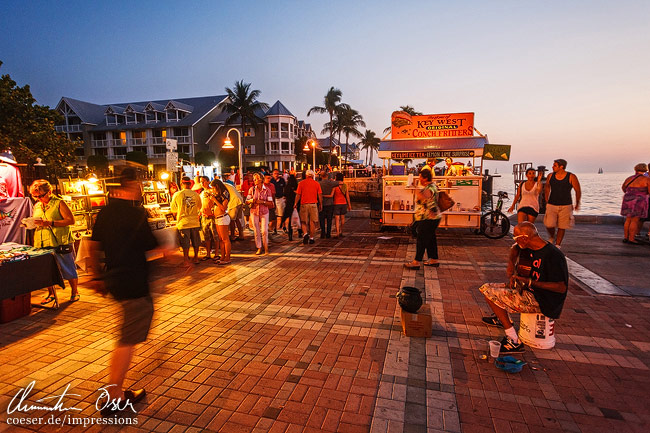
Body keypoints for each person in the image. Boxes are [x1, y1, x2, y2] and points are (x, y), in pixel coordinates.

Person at [86, 169, 157, 416]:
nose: (140, 189)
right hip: (134, 282)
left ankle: (115, 391)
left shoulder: (105, 212)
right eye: (138, 185)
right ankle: (114, 395)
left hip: (114, 279)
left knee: (126, 335)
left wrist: (96, 276)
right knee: (127, 339)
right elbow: (152, 246)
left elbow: (93, 246)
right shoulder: (137, 214)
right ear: (131, 186)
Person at [479, 222, 568, 354]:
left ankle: (513, 340)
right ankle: (501, 317)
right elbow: (515, 248)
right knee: (487, 287)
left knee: (490, 295)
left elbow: (561, 288)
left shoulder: (553, 255)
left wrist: (530, 282)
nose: (514, 240)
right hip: (528, 290)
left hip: (543, 300)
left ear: (525, 238)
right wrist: (511, 264)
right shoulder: (528, 246)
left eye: (516, 237)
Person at [30, 179, 79, 304]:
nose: (38, 198)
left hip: (60, 240)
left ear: (49, 192)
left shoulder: (59, 203)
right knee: (47, 269)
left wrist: (51, 223)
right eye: (35, 196)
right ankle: (51, 293)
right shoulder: (37, 205)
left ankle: (75, 291)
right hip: (43, 241)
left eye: (40, 196)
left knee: (67, 266)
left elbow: (70, 220)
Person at [404, 169, 442, 269]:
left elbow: (423, 197)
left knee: (422, 240)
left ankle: (416, 261)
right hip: (431, 218)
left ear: (425, 178)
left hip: (428, 218)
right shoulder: (432, 186)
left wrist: (414, 187)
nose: (419, 179)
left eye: (421, 177)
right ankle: (434, 259)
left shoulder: (430, 188)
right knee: (430, 239)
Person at [544, 159, 581, 248]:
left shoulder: (571, 176)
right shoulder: (550, 176)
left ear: (561, 167)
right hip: (552, 204)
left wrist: (577, 203)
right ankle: (552, 236)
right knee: (549, 224)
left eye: (555, 165)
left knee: (562, 226)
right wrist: (546, 200)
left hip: (566, 205)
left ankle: (557, 245)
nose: (552, 167)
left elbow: (577, 190)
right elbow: (547, 187)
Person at [171, 177, 201, 265]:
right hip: (194, 221)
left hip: (183, 222)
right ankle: (196, 258)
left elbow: (173, 209)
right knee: (196, 241)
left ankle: (186, 260)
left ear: (181, 184)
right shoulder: (195, 194)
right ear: (190, 184)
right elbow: (199, 207)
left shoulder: (177, 194)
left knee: (185, 242)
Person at [620, 163, 650, 244]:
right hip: (639, 201)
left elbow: (623, 188)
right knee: (635, 220)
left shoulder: (629, 178)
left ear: (635, 169)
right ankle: (631, 239)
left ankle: (626, 237)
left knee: (628, 219)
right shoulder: (646, 179)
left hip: (628, 199)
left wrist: (631, 193)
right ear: (645, 170)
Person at [246, 173, 273, 255]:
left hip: (264, 211)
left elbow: (270, 203)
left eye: (256, 178)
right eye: (254, 179)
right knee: (256, 231)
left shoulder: (267, 190)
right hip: (254, 211)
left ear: (261, 179)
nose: (254, 180)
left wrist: (262, 202)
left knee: (264, 231)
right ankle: (259, 247)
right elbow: (247, 201)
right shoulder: (252, 189)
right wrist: (252, 200)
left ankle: (266, 248)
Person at [294, 170, 322, 244]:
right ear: (313, 176)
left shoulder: (301, 183)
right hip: (313, 204)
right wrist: (321, 204)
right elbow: (319, 195)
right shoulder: (316, 184)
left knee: (303, 221)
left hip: (304, 204)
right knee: (312, 222)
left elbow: (298, 195)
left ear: (306, 175)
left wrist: (295, 203)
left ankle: (305, 234)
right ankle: (312, 238)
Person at [209, 179, 231, 264]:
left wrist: (215, 200)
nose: (213, 190)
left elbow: (223, 208)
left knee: (225, 239)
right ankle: (222, 256)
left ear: (217, 187)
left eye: (214, 188)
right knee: (221, 239)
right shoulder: (217, 195)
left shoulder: (224, 194)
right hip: (217, 218)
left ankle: (227, 257)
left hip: (223, 218)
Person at [199, 176, 217, 261]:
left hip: (213, 217)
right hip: (204, 216)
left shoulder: (213, 191)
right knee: (206, 236)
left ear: (208, 181)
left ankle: (217, 253)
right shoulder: (202, 193)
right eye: (201, 182)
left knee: (215, 235)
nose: (202, 183)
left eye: (204, 181)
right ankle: (208, 253)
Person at [223, 176, 245, 242]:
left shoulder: (222, 186)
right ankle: (241, 235)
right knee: (237, 219)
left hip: (234, 202)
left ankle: (232, 236)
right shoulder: (228, 185)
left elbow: (224, 197)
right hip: (239, 200)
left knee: (232, 219)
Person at [332, 172, 352, 238]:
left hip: (336, 203)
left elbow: (332, 194)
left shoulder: (335, 186)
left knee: (337, 219)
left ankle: (337, 233)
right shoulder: (344, 185)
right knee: (342, 218)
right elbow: (347, 196)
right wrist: (349, 205)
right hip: (344, 203)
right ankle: (341, 231)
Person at [318, 171, 337, 239]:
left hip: (321, 203)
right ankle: (328, 233)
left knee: (322, 219)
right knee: (329, 220)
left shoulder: (318, 183)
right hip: (330, 203)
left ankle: (323, 232)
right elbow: (339, 183)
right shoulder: (331, 183)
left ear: (321, 176)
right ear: (327, 175)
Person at [281, 172, 299, 241]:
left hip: (289, 204)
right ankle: (300, 232)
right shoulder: (297, 187)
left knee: (289, 220)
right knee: (298, 218)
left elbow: (284, 194)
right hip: (296, 204)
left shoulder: (287, 187)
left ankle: (290, 235)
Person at [270, 170, 286, 234]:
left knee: (282, 214)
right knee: (275, 215)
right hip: (274, 199)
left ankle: (284, 227)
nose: (276, 175)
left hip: (281, 198)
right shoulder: (271, 181)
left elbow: (285, 188)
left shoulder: (282, 180)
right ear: (272, 174)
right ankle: (275, 229)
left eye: (277, 173)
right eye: (275, 173)